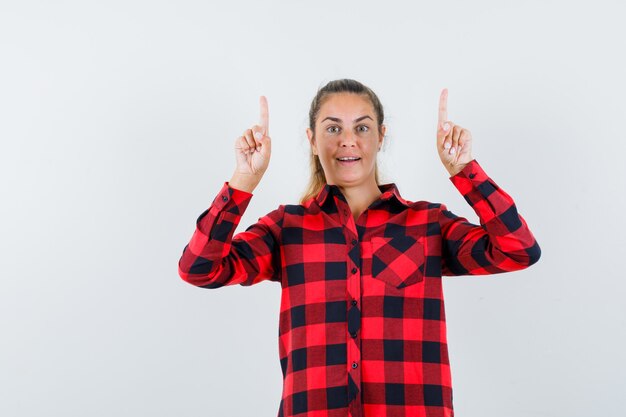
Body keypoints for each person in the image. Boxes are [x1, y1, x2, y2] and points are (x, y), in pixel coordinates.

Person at [177, 79, 541, 417]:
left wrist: (465, 171)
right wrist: (243, 181)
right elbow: (199, 268)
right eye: (333, 128)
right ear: (312, 139)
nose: (348, 140)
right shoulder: (287, 227)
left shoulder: (427, 224)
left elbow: (518, 250)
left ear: (381, 136)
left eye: (362, 127)